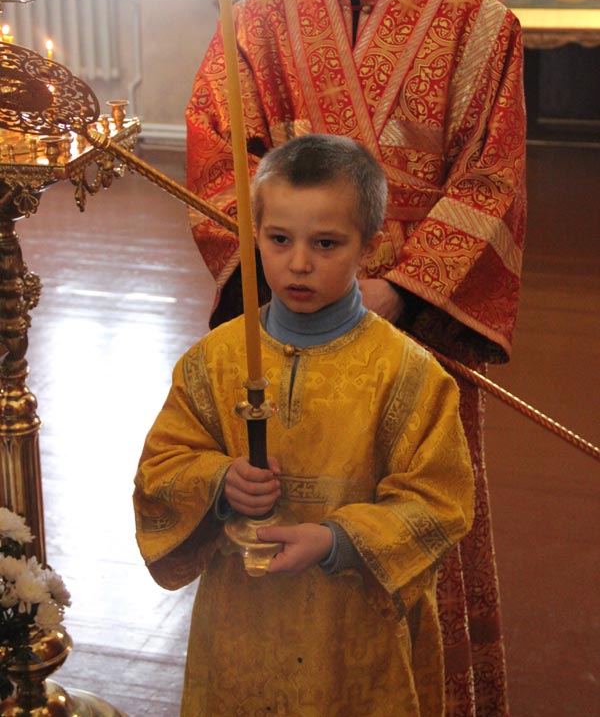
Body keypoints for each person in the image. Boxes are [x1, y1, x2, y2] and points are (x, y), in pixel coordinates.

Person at [185, 0, 527, 714]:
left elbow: (491, 179)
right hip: (297, 316)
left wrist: (398, 290)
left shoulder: (479, 27)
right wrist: (291, 268)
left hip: (409, 321)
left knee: (417, 497)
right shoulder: (258, 21)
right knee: (289, 491)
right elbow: (219, 150)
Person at [134, 134, 474, 716]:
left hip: (352, 635)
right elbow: (161, 470)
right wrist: (219, 482)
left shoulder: (408, 373)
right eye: (278, 239)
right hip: (240, 625)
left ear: (369, 245)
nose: (298, 263)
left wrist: (336, 539)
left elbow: (439, 504)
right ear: (254, 235)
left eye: (326, 243)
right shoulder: (214, 360)